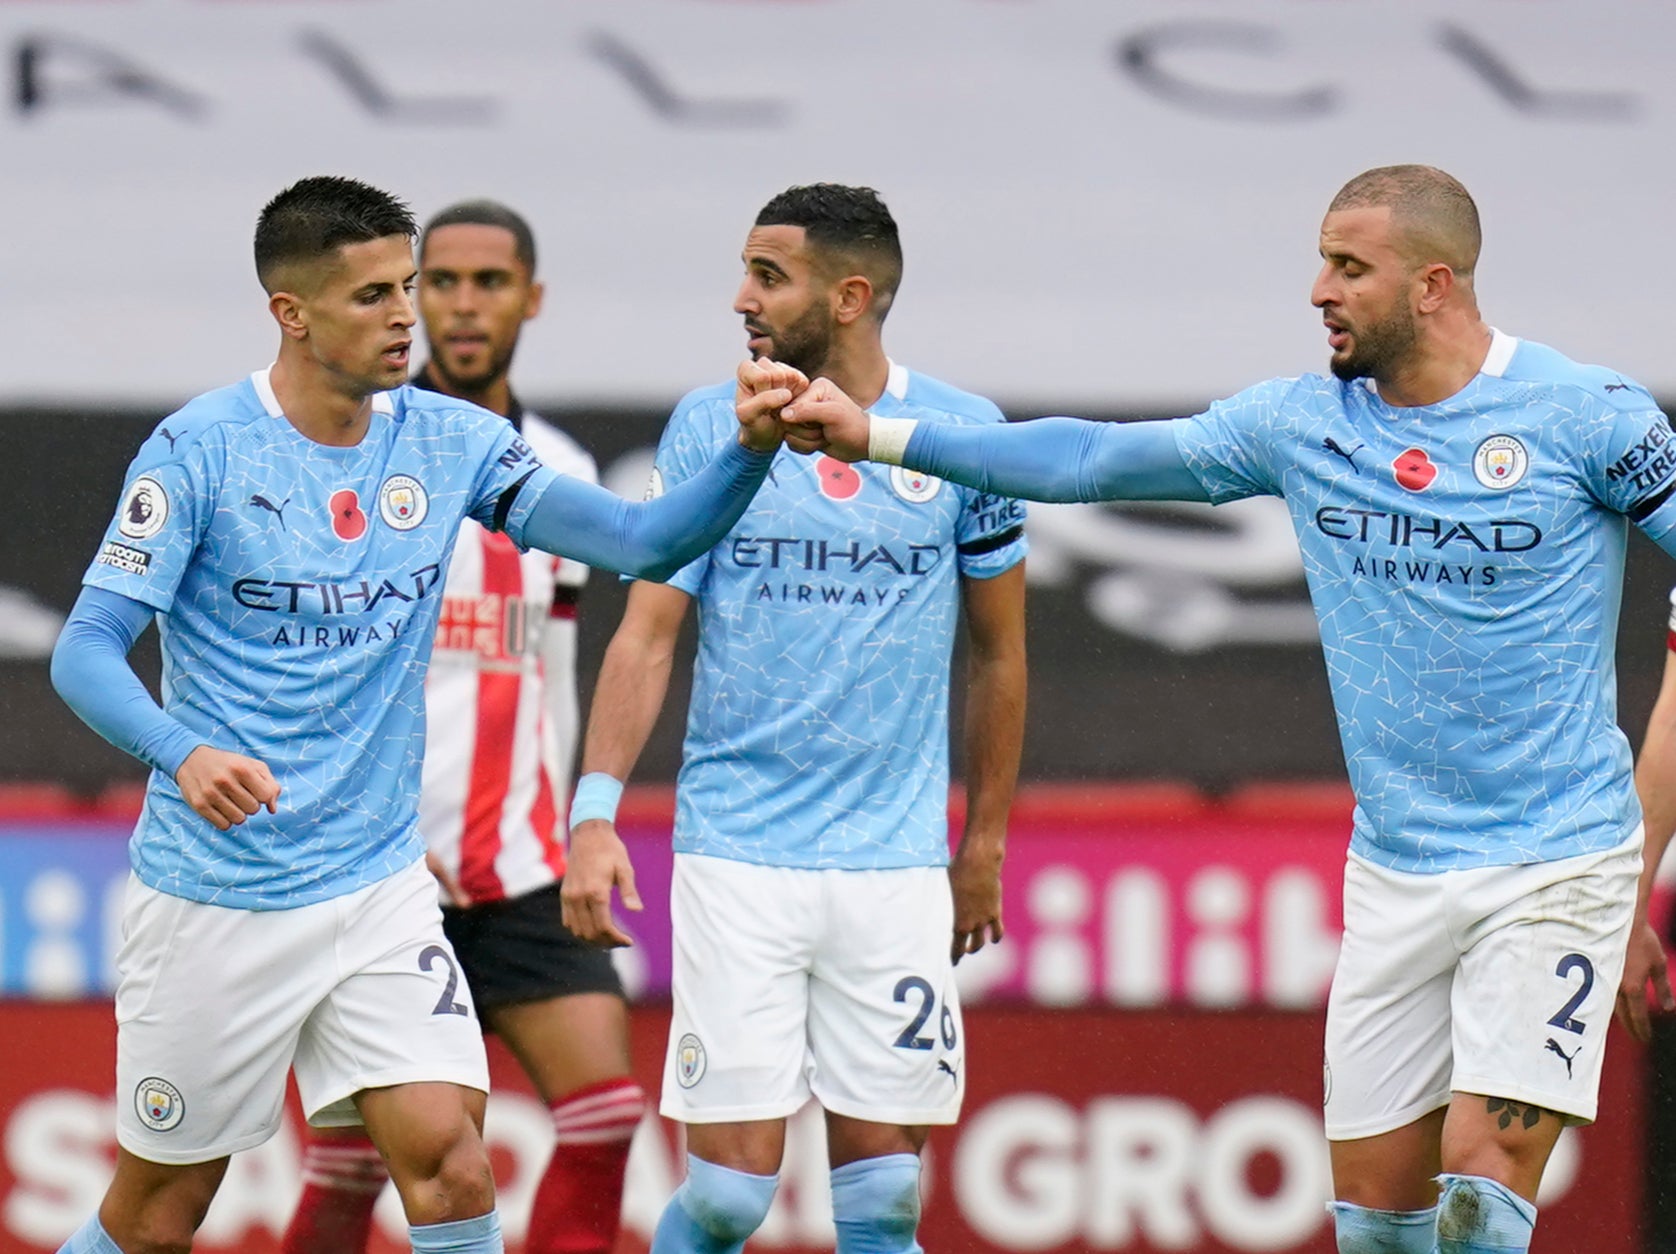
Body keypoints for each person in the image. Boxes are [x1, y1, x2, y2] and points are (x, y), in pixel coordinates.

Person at [776, 164, 1676, 1254]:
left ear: (1432, 284)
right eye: (1320, 262)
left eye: (1348, 268)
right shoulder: (1299, 426)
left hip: (1554, 863)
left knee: (1480, 1193)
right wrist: (875, 434)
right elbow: (1088, 459)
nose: (1317, 291)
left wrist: (1638, 862)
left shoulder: (1584, 416)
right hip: (1395, 870)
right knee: (1378, 1227)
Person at [47, 175, 791, 1254]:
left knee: (448, 1163)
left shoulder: (449, 443)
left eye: (408, 287)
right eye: (372, 296)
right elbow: (85, 651)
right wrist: (184, 749)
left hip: (376, 892)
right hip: (220, 897)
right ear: (290, 313)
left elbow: (640, 542)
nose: (408, 316)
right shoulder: (198, 452)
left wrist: (747, 450)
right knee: (161, 1213)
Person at [560, 183, 1028, 1254]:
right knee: (728, 1199)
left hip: (895, 867)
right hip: (738, 857)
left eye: (767, 276)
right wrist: (594, 815)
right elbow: (643, 635)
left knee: (884, 1209)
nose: (741, 298)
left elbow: (998, 657)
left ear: (849, 297)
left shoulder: (959, 434)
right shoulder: (708, 429)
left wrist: (982, 845)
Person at [280, 200, 642, 1254]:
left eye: (489, 282)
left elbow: (555, 669)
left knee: (607, 1114)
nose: (463, 304)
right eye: (439, 281)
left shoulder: (561, 474)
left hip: (521, 867)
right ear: (409, 297)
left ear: (530, 300)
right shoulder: (361, 456)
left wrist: (578, 818)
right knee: (354, 1164)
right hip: (386, 868)